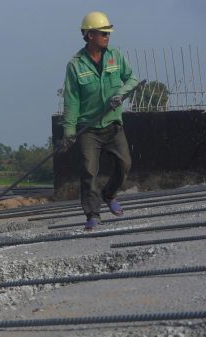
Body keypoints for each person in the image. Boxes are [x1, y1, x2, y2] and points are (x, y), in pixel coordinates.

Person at [61, 12, 138, 231]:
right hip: (87, 129)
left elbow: (131, 79)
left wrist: (121, 94)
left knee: (125, 163)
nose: (107, 36)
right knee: (88, 172)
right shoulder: (75, 65)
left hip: (113, 124)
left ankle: (110, 194)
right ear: (90, 35)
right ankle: (92, 215)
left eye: (108, 33)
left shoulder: (116, 56)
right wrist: (69, 132)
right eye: (103, 33)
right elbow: (72, 101)